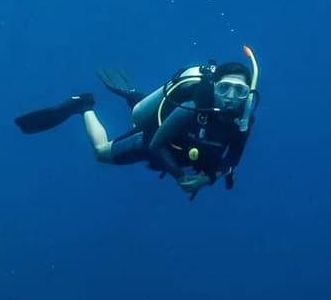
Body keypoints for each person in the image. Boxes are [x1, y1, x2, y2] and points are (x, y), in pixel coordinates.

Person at [15, 48, 259, 198]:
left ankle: (135, 97)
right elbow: (156, 143)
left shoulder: (244, 120)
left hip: (185, 151)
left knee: (140, 112)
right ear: (213, 87)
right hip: (156, 139)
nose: (230, 97)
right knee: (101, 153)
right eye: (224, 87)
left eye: (239, 90)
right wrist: (178, 176)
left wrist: (206, 179)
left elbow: (233, 157)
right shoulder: (193, 109)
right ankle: (84, 106)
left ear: (248, 94)